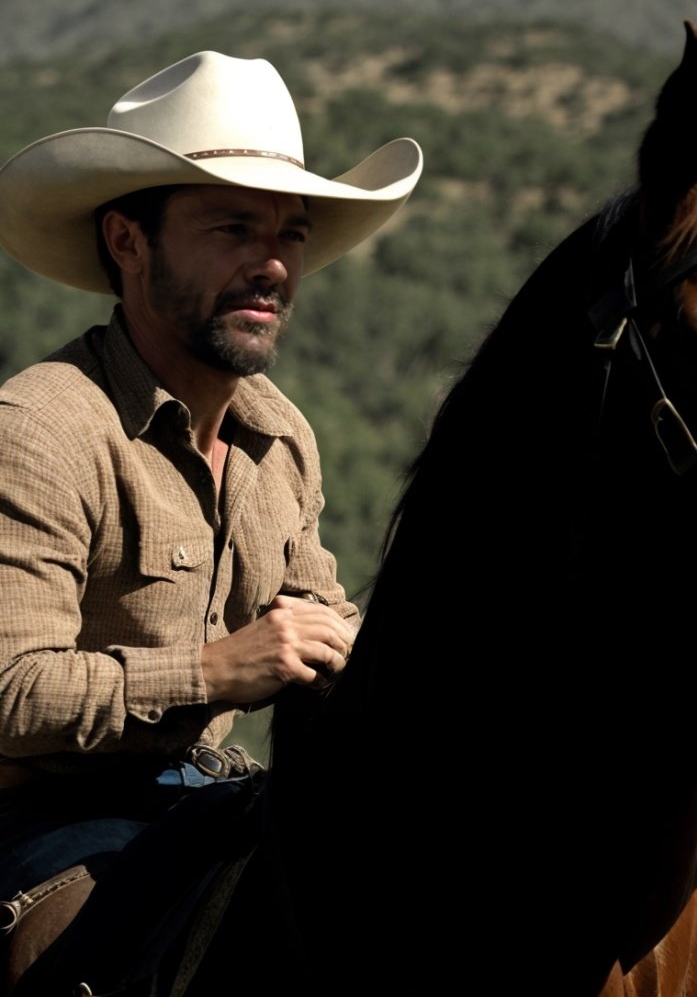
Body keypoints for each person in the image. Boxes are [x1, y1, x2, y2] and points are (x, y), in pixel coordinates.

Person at [0, 51, 421, 991]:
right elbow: (7, 689)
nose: (271, 263)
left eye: (290, 235)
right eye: (232, 227)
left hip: (209, 806)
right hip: (36, 830)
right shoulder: (42, 429)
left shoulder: (281, 435)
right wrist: (215, 670)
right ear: (127, 241)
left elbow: (317, 620)